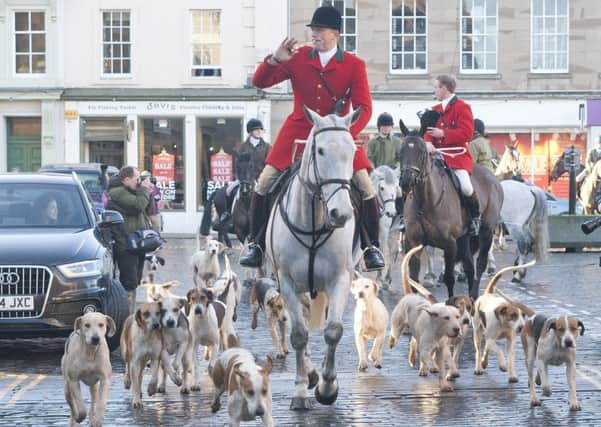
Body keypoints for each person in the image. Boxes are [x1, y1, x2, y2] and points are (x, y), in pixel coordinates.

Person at [240, 5, 384, 270]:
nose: (314, 34)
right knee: (264, 182)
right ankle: (257, 245)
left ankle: (370, 246)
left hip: (338, 137)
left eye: (320, 30)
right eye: (313, 30)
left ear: (335, 34)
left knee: (366, 187)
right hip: (298, 134)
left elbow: (364, 108)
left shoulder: (354, 65)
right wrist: (275, 59)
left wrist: (342, 135)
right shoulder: (298, 57)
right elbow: (260, 82)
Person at [424, 74, 479, 236]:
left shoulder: (462, 107)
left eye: (436, 87)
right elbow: (427, 131)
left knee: (466, 187)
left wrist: (443, 134)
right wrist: (427, 142)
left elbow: (467, 134)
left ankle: (474, 217)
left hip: (456, 157)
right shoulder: (434, 110)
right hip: (436, 157)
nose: (434, 90)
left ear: (444, 88)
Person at [106, 166, 153, 313]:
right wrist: (144, 190)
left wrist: (147, 192)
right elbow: (138, 205)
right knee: (129, 282)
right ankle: (126, 317)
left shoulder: (130, 191)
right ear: (126, 180)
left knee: (134, 281)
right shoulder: (118, 192)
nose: (139, 182)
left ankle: (129, 314)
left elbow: (145, 209)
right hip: (126, 245)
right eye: (136, 179)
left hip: (136, 243)